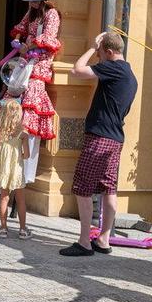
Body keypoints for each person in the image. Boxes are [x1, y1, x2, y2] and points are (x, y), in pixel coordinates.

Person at [59, 32, 138, 256]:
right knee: (108, 189)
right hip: (115, 138)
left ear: (110, 52)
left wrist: (93, 47)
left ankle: (84, 242)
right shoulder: (130, 74)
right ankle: (103, 239)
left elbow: (77, 70)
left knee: (82, 188)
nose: (99, 58)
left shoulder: (113, 67)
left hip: (100, 137)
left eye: (102, 54)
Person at [8, 0, 61, 185]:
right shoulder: (31, 12)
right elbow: (20, 31)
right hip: (24, 64)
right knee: (14, 106)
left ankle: (25, 173)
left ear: (42, 0)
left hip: (37, 66)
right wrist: (19, 43)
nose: (30, 3)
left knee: (30, 114)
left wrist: (30, 47)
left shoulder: (51, 14)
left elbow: (49, 38)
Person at [0, 99, 31, 238]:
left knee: (4, 198)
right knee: (21, 200)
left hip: (4, 170)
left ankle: (3, 229)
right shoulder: (23, 133)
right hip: (17, 170)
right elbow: (26, 155)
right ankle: (23, 229)